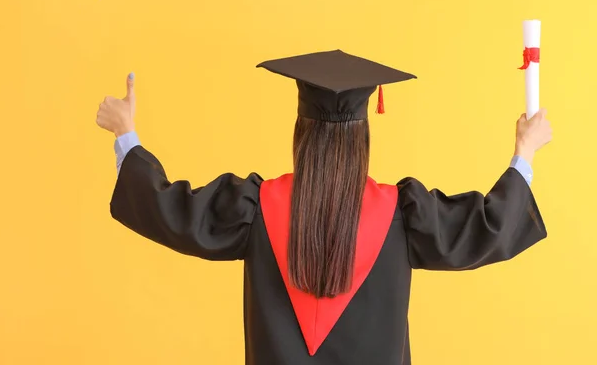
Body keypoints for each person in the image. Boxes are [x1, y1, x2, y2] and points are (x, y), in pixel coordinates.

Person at [96, 50, 551, 365]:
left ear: (301, 133)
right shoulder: (404, 215)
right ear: (362, 137)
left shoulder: (252, 210)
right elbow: (487, 227)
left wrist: (126, 133)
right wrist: (524, 152)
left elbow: (170, 210)